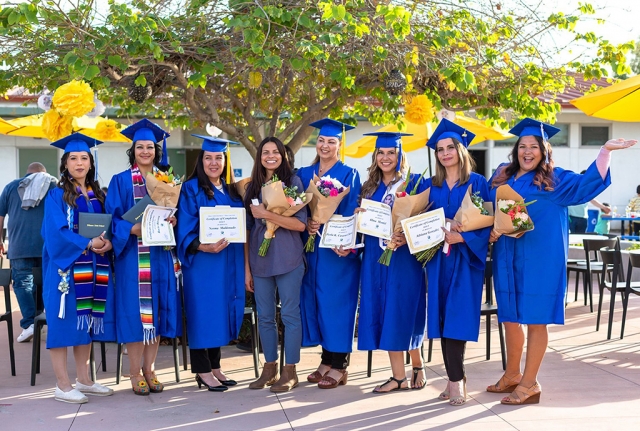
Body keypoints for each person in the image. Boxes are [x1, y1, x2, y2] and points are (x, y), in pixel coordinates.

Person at [487, 118, 636, 405]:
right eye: (522, 146)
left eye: (534, 147)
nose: (527, 152)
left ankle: (529, 384)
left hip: (540, 259)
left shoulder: (555, 179)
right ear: (515, 149)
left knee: (535, 319)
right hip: (507, 256)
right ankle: (511, 375)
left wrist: (604, 151)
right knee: (509, 316)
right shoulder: (503, 176)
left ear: (544, 151)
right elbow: (491, 208)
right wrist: (491, 227)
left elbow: (586, 185)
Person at [105, 119, 182, 396]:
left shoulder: (167, 179)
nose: (146, 151)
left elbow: (177, 212)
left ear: (156, 150)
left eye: (150, 147)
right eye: (140, 147)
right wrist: (133, 228)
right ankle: (134, 372)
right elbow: (112, 221)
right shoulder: (120, 181)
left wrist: (172, 221)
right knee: (136, 316)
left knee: (157, 312)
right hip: (133, 258)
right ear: (133, 150)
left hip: (160, 255)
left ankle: (150, 370)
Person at [41, 133, 116, 403]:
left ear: (91, 162)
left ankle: (83, 380)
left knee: (86, 322)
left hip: (95, 265)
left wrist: (108, 243)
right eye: (73, 158)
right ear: (65, 164)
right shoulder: (56, 195)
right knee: (63, 323)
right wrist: (86, 243)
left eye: (84, 157)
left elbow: (109, 225)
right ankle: (62, 385)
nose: (79, 163)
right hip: (67, 268)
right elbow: (55, 232)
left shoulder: (99, 194)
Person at [424, 119, 491, 406]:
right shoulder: (431, 185)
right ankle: (457, 377)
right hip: (438, 259)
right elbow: (419, 220)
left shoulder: (478, 183)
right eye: (440, 149)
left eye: (451, 147)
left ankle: (455, 381)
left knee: (458, 318)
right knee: (441, 318)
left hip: (464, 260)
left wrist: (462, 239)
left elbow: (490, 223)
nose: (445, 153)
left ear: (461, 150)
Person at [357, 132, 427, 393]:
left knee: (403, 308)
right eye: (381, 153)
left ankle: (417, 364)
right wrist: (359, 216)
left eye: (391, 153)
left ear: (400, 155)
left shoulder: (412, 184)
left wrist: (403, 235)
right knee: (384, 310)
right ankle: (399, 376)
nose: (386, 158)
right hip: (375, 258)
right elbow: (363, 226)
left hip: (403, 258)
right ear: (375, 157)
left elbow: (421, 219)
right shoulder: (369, 188)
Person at [176, 135, 245, 392]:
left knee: (217, 311)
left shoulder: (230, 191)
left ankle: (215, 366)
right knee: (201, 313)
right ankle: (202, 370)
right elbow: (184, 228)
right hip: (203, 263)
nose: (213, 162)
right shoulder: (190, 189)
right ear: (201, 161)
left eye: (218, 158)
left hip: (226, 261)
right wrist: (203, 246)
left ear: (225, 161)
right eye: (208, 158)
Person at [298, 118, 361, 389]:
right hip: (311, 249)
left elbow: (352, 212)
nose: (325, 145)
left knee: (337, 305)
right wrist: (308, 222)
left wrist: (343, 239)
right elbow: (295, 206)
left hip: (337, 251)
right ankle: (326, 359)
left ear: (339, 144)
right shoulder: (304, 173)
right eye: (321, 140)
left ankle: (340, 365)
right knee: (317, 304)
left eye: (331, 141)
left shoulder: (350, 174)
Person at [244, 137, 307, 393]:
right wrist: (247, 268)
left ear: (283, 155)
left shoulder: (293, 183)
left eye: (276, 152)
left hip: (289, 258)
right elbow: (248, 231)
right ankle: (269, 369)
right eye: (265, 152)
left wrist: (268, 215)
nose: (271, 156)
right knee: (265, 317)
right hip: (260, 262)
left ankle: (290, 371)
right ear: (259, 157)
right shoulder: (251, 187)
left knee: (291, 316)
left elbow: (300, 225)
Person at [0, 162, 55, 342]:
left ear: (27, 173)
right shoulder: (52, 185)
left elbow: (0, 216)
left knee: (23, 284)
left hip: (19, 245)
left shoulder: (11, 187)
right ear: (43, 173)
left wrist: (0, 240)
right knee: (46, 283)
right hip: (48, 245)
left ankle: (30, 323)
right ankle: (44, 321)